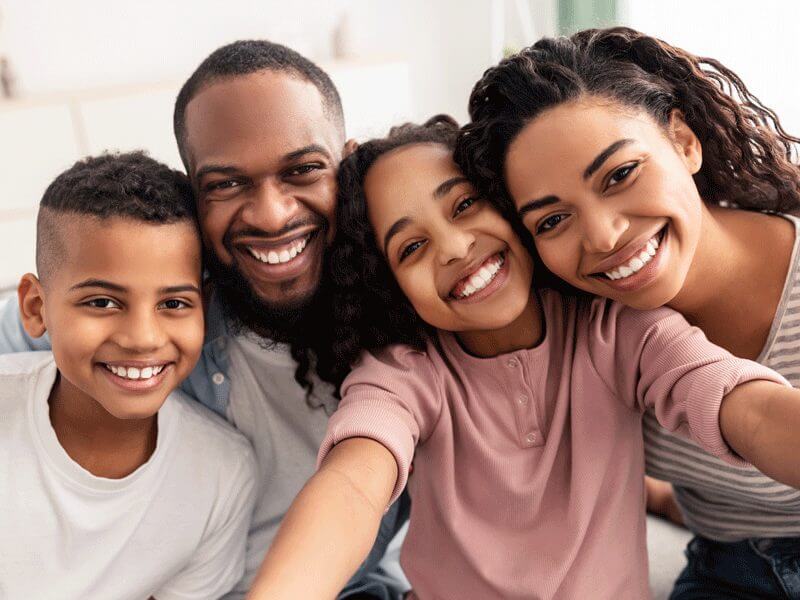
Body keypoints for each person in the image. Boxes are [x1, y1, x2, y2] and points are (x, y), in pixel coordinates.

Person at [245, 117, 800, 600]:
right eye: (411, 248)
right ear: (391, 288)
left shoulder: (615, 327)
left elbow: (740, 404)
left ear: (514, 207)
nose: (456, 248)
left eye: (464, 205)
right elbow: (354, 485)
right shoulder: (403, 373)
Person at [0, 40, 407, 599]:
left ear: (348, 164)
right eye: (226, 184)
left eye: (304, 170)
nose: (272, 214)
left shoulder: (411, 315)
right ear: (193, 197)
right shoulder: (153, 310)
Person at [456, 26, 800, 599]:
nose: (604, 234)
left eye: (619, 175)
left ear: (684, 142)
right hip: (730, 573)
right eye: (552, 220)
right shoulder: (588, 330)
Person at [0, 152, 257, 600]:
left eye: (174, 303)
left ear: (205, 304)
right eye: (102, 302)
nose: (142, 338)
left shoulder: (222, 474)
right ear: (36, 308)